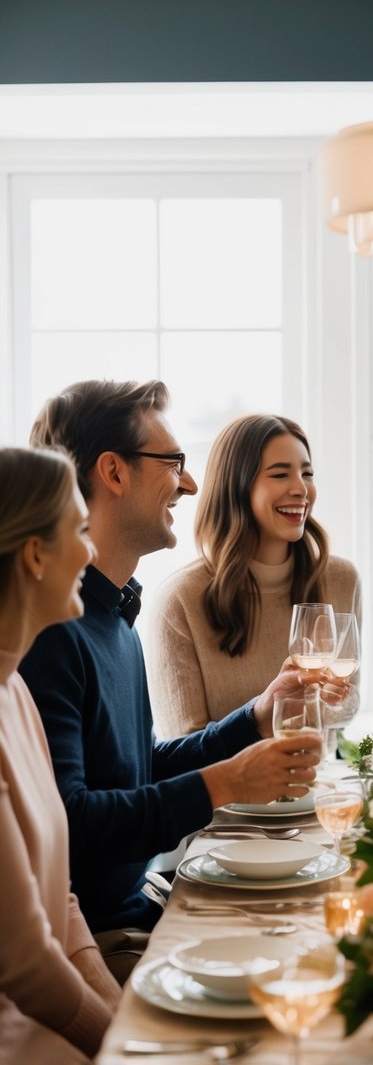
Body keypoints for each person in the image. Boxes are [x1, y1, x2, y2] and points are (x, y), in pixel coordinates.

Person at [19, 380, 322, 942]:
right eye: (172, 462)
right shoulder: (52, 632)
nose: (188, 482)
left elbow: (139, 771)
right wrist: (225, 782)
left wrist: (254, 718)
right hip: (97, 934)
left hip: (140, 903)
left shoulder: (113, 616)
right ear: (113, 472)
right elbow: (73, 826)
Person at [0, 447, 120, 1062]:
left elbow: (61, 901)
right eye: (79, 530)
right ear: (35, 555)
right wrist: (118, 1045)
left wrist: (122, 1013)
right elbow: (25, 965)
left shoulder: (16, 689)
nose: (92, 551)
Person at [146, 413, 361, 737]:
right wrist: (269, 713)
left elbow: (347, 704)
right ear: (236, 487)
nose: (301, 489)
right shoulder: (179, 601)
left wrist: (332, 699)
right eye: (280, 475)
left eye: (307, 473)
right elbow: (184, 751)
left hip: (319, 780)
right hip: (230, 788)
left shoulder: (341, 580)